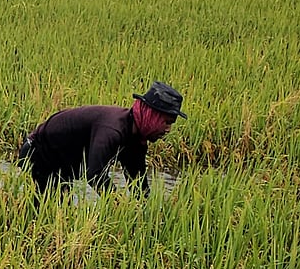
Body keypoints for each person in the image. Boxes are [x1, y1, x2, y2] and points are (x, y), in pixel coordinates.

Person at [18, 81, 187, 194]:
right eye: (166, 122)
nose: (168, 130)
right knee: (50, 214)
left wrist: (149, 214)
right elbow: (94, 174)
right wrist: (117, 204)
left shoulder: (136, 139)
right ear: (151, 115)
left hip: (62, 165)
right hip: (38, 155)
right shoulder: (112, 130)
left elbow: (137, 182)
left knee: (61, 209)